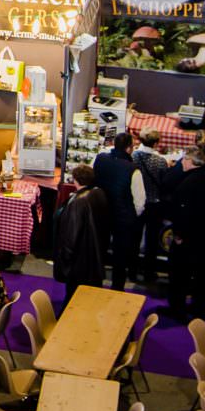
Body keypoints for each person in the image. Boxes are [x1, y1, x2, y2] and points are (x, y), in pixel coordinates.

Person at [159, 139, 205, 319]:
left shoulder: (188, 183)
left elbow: (183, 212)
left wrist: (179, 234)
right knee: (202, 276)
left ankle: (177, 309)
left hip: (188, 239)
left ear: (191, 162)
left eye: (183, 160)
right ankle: (199, 309)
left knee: (180, 276)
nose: (181, 163)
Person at [52, 162, 110, 307]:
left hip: (80, 264)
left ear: (75, 179)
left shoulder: (78, 202)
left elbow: (71, 236)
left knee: (74, 301)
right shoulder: (99, 193)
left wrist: (64, 259)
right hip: (95, 259)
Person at [91, 131, 141, 290]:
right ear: (129, 148)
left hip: (101, 212)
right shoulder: (133, 169)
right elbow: (140, 201)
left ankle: (94, 283)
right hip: (123, 218)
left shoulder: (99, 159)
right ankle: (117, 288)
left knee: (98, 250)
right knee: (120, 257)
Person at [130, 129, 174, 285]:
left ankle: (132, 271)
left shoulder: (134, 156)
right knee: (152, 239)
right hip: (155, 203)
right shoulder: (160, 161)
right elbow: (165, 182)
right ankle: (149, 272)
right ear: (156, 143)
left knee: (135, 238)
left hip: (138, 202)